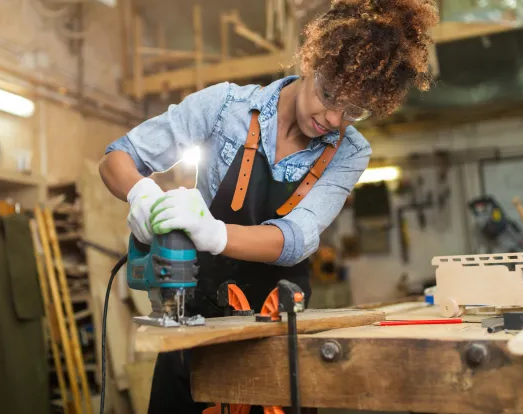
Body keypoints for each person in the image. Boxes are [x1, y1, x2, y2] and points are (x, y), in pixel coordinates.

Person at [99, 0, 439, 412]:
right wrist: (141, 193)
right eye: (328, 93)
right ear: (311, 60)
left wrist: (215, 233)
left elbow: (298, 236)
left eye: (354, 111)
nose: (332, 118)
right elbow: (119, 156)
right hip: (197, 318)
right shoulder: (224, 108)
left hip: (281, 330)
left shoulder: (351, 152)